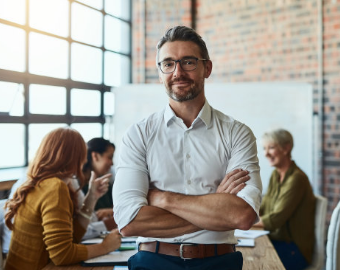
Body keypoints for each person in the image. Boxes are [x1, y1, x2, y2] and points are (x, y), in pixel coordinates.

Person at [112, 25, 262, 270]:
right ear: (160, 72)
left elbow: (242, 215)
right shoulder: (139, 134)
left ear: (207, 68)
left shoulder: (237, 133)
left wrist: (162, 198)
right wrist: (217, 205)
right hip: (152, 261)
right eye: (168, 64)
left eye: (188, 62)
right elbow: (129, 222)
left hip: (219, 261)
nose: (177, 72)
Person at [4, 127, 121, 270]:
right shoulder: (55, 187)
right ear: (75, 156)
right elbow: (62, 255)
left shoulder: (41, 182)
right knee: (106, 264)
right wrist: (105, 247)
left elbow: (72, 239)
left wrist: (91, 197)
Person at [254, 128, 315, 270]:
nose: (266, 153)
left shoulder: (297, 179)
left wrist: (241, 222)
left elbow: (275, 219)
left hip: (294, 250)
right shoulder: (276, 175)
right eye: (264, 148)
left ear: (286, 148)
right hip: (277, 241)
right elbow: (263, 208)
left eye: (271, 147)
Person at [82, 138, 116, 221]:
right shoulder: (77, 186)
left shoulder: (107, 184)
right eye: (109, 157)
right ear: (95, 156)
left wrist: (112, 211)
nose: (112, 163)